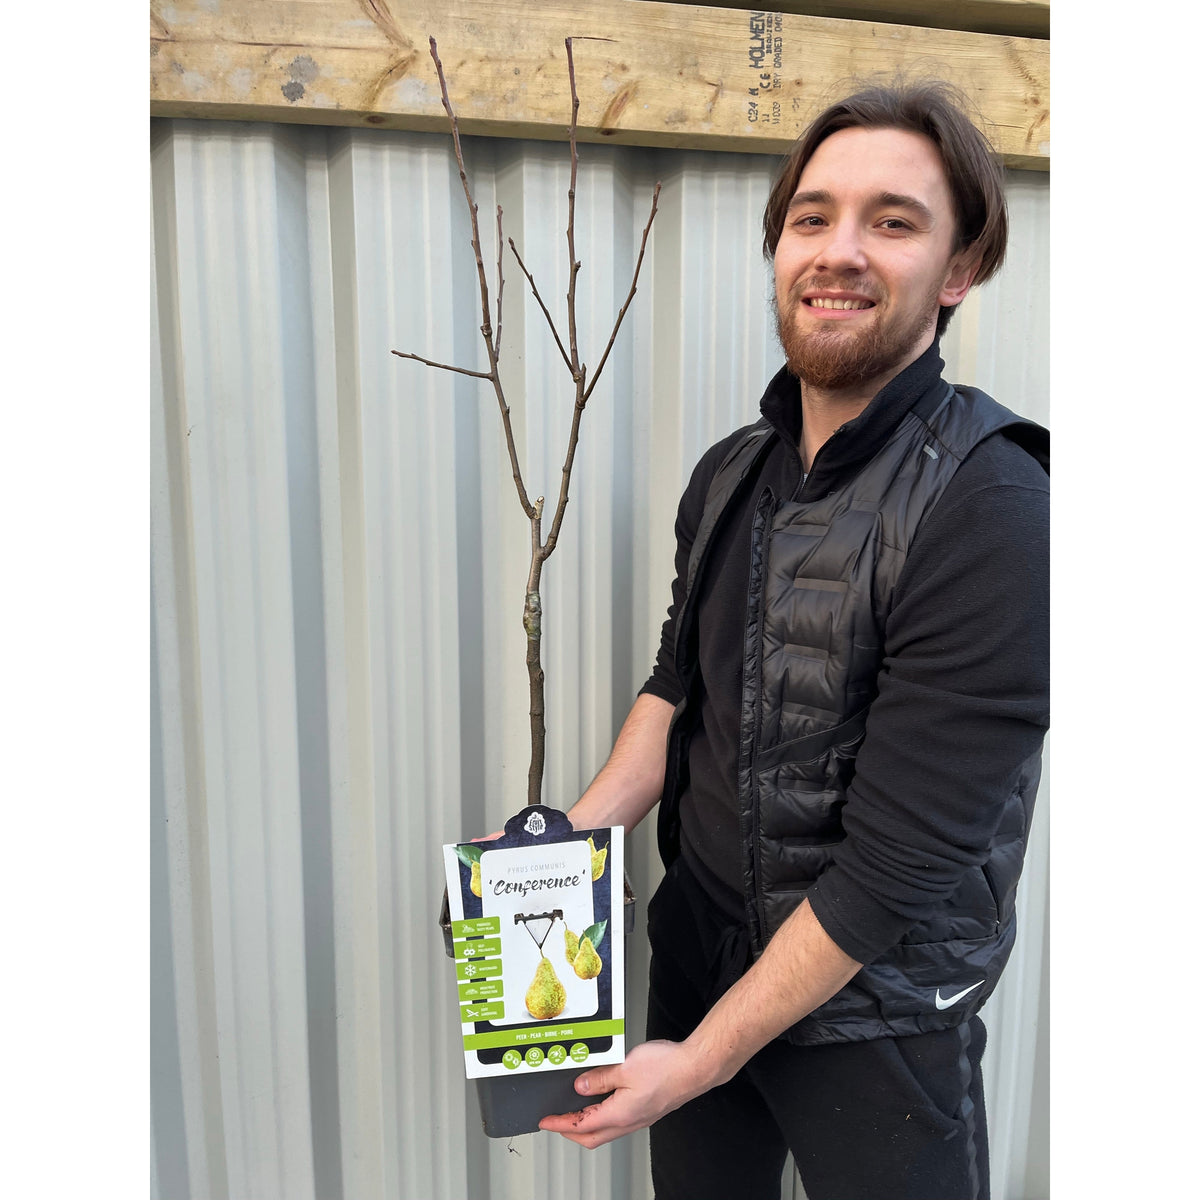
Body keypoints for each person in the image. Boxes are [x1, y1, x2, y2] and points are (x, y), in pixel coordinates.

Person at [539, 81, 1049, 1200]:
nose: (840, 250)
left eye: (894, 221)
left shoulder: (994, 506)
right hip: (703, 956)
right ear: (779, 247)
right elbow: (677, 691)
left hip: (877, 1014)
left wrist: (705, 1057)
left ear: (959, 272)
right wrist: (556, 851)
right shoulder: (730, 472)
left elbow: (893, 871)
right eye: (812, 217)